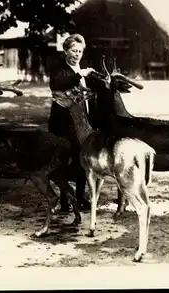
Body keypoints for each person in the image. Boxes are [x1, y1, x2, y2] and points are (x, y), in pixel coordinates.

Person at [48, 33, 98, 212]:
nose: (77, 54)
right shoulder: (59, 69)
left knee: (82, 158)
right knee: (64, 160)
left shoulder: (82, 70)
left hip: (81, 122)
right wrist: (79, 75)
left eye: (80, 51)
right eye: (73, 51)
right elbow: (58, 83)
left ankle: (80, 197)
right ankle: (64, 199)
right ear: (66, 51)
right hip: (63, 123)